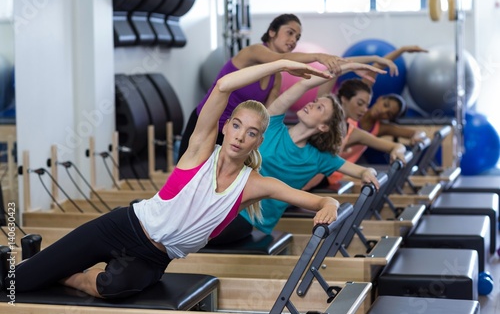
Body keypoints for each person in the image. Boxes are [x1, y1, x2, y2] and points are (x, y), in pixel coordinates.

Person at [4, 60, 341, 299]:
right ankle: (38, 262)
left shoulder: (253, 184)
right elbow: (223, 85)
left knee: (110, 287)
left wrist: (330, 203)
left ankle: (64, 273)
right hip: (123, 225)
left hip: (154, 258)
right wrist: (280, 63)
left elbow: (316, 200)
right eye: (236, 125)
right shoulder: (199, 151)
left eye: (251, 133)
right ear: (225, 127)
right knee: (16, 282)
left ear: (258, 141)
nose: (240, 136)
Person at [210, 60, 387, 244]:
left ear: (323, 126)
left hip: (248, 220)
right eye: (315, 101)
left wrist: (369, 173)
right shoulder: (272, 126)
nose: (311, 104)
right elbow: (303, 85)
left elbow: (363, 171)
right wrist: (347, 67)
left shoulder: (319, 158)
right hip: (222, 198)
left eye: (319, 108)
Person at [178, 13, 347, 159]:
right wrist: (318, 56)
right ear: (272, 32)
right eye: (290, 33)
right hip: (206, 123)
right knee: (185, 182)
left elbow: (267, 113)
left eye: (297, 37)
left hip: (232, 133)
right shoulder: (252, 52)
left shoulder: (277, 77)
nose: (293, 40)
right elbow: (277, 61)